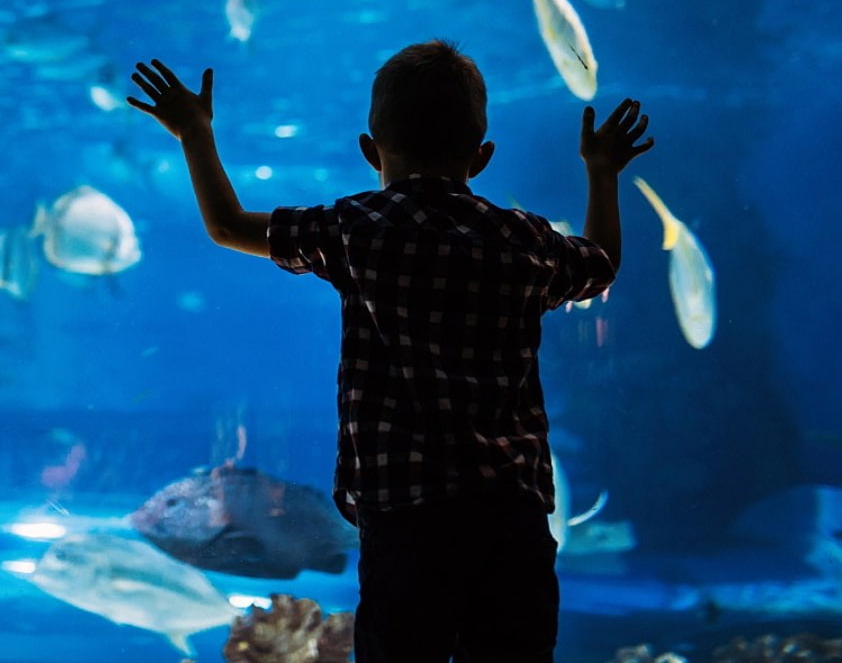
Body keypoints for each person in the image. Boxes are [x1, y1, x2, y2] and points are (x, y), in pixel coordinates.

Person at [127, 41, 653, 663]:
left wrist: (194, 131)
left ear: (370, 151)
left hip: (405, 517)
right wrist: (602, 171)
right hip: (510, 515)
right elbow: (602, 265)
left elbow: (228, 225)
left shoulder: (357, 229)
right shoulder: (524, 239)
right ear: (481, 157)